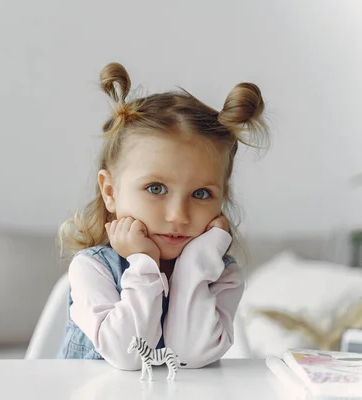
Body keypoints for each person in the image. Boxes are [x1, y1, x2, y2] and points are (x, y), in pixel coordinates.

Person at [57, 62, 268, 369]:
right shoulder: (92, 269)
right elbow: (128, 354)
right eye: (155, 188)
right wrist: (144, 264)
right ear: (111, 191)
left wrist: (196, 264)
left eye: (201, 194)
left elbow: (190, 353)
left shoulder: (222, 274)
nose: (178, 215)